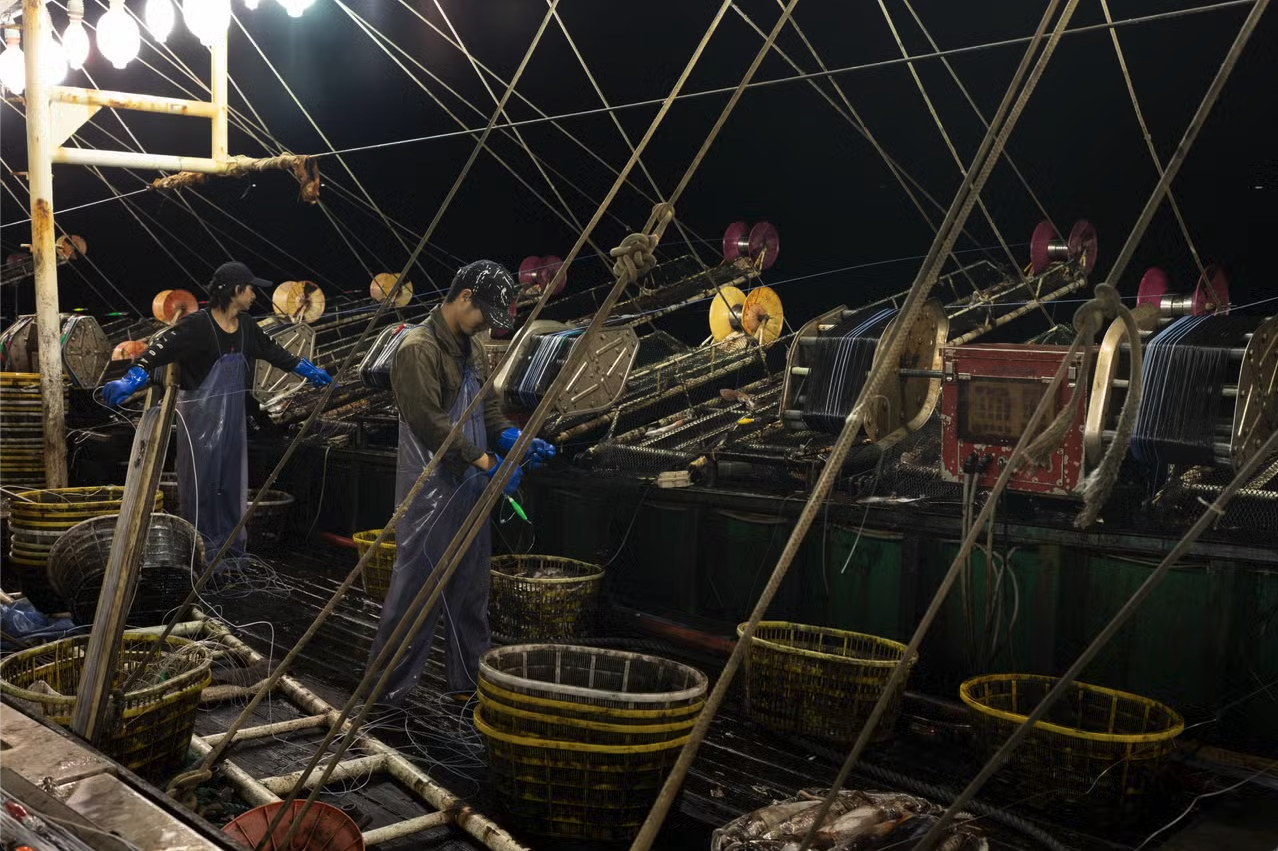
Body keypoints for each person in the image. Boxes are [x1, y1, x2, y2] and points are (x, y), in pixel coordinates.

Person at [368, 259, 554, 705]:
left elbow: (485, 409)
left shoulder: (470, 347)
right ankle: (385, 694)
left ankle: (467, 684)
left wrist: (514, 438)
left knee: (470, 591)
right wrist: (486, 460)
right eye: (484, 315)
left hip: (469, 489)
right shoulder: (417, 348)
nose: (485, 325)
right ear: (465, 296)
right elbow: (430, 424)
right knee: (416, 594)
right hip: (431, 490)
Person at [102, 261, 332, 557]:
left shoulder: (247, 326)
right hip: (200, 423)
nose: (253, 295)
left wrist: (308, 370)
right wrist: (130, 380)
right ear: (236, 291)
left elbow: (275, 352)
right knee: (202, 486)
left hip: (233, 422)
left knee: (231, 485)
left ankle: (230, 549)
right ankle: (200, 550)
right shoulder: (197, 325)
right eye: (250, 289)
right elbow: (158, 352)